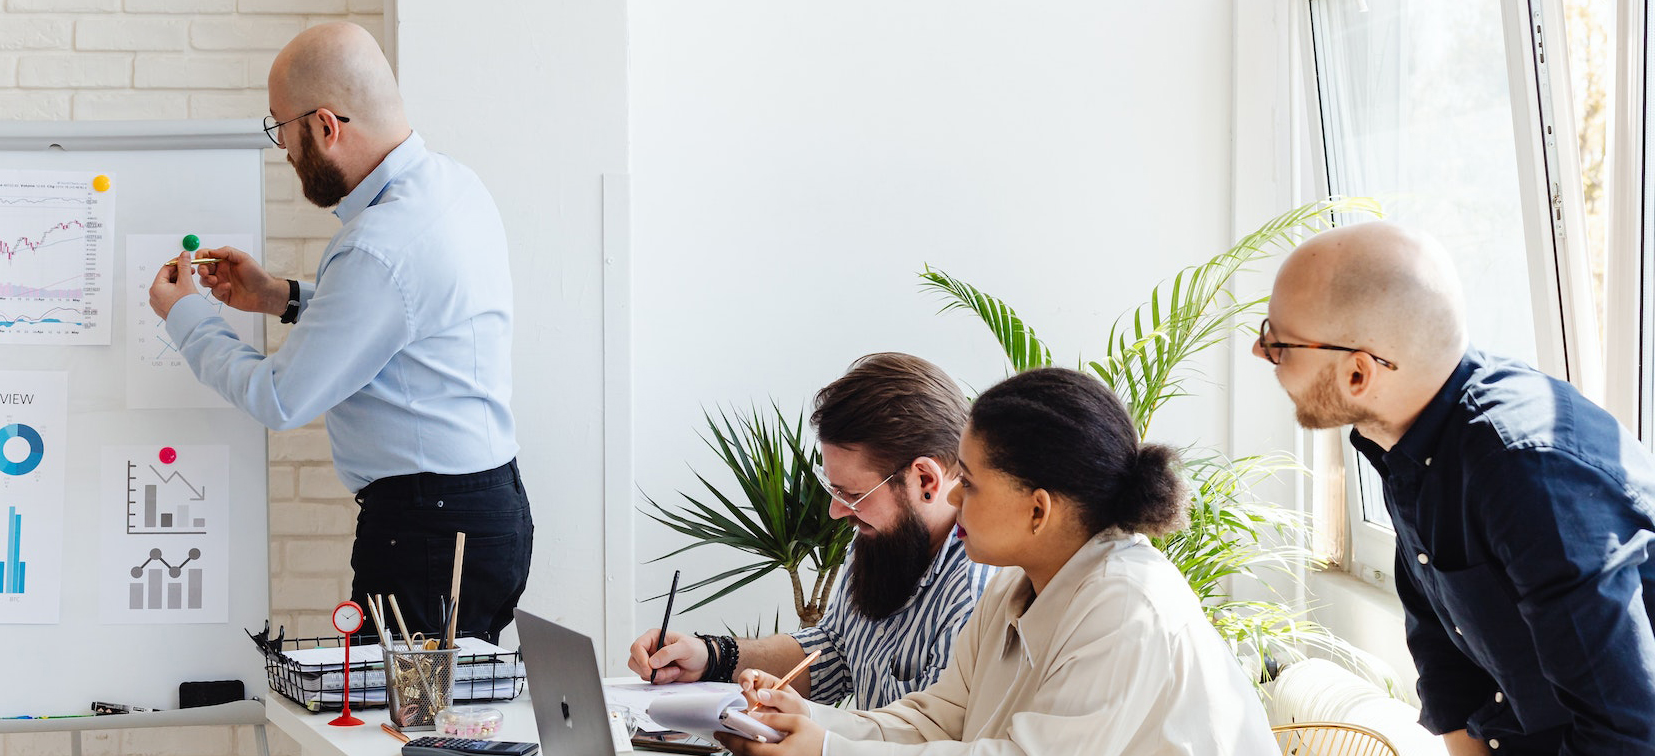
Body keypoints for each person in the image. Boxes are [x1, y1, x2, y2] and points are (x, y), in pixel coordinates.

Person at [146, 21, 530, 643]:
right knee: (445, 726)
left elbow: (280, 397)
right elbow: (401, 320)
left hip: (428, 530)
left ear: (326, 126)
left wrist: (186, 316)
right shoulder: (454, 186)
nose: (286, 152)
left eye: (284, 130)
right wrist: (280, 297)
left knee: (401, 735)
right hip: (484, 508)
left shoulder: (379, 247)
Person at [719, 367, 1276, 756]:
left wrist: (830, 750)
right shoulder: (1015, 586)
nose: (955, 496)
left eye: (974, 484)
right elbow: (939, 720)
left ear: (1039, 510)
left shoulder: (1128, 607)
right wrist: (808, 722)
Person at [1258, 221, 1655, 755]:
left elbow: (1627, 734)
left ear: (1358, 374)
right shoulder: (1403, 439)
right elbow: (1443, 652)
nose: (1262, 354)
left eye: (1278, 341)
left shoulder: (1524, 473)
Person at [627, 353, 996, 709]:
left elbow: (932, 739)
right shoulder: (879, 537)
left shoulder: (976, 596)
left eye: (853, 494)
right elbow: (832, 651)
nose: (838, 512)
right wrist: (711, 656)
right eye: (834, 490)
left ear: (925, 480)